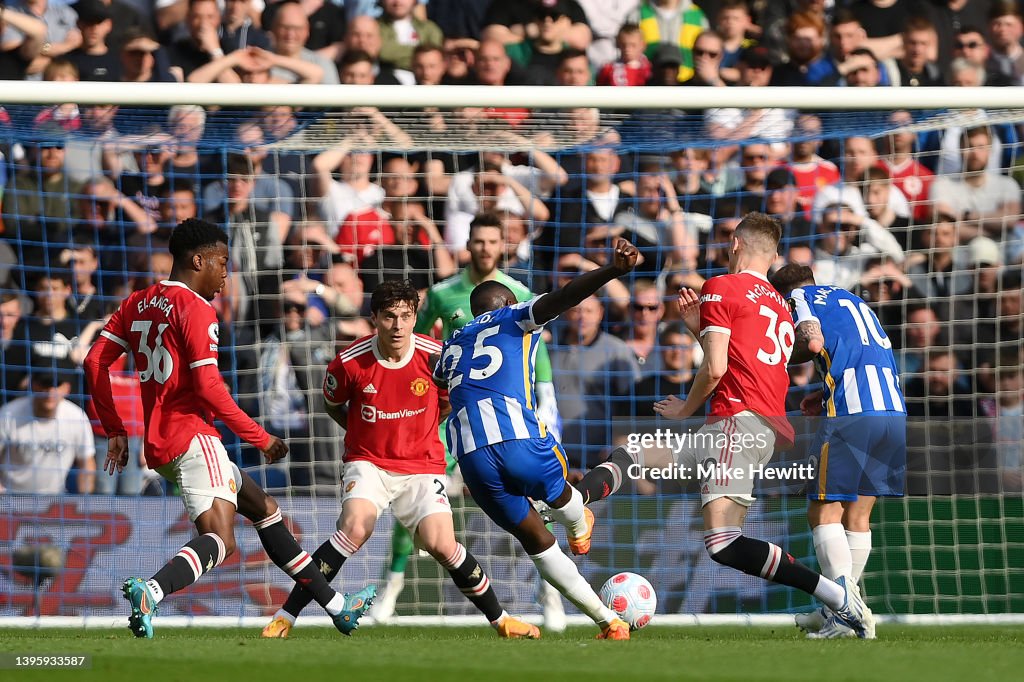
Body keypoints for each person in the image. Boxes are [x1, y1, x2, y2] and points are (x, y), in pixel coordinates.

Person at [83, 219, 363, 638]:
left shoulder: (137, 302)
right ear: (198, 260)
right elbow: (209, 386)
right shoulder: (197, 309)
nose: (225, 274)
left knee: (264, 508)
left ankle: (338, 606)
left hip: (161, 445)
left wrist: (115, 429)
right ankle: (153, 590)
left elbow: (94, 361)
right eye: (221, 263)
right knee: (222, 540)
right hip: (194, 438)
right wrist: (260, 436)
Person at [260, 280, 539, 640]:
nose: (397, 326)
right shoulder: (348, 362)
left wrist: (420, 431)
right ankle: (286, 616)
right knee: (355, 528)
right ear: (374, 318)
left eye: (405, 317)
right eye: (389, 317)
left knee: (443, 544)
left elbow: (450, 401)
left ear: (414, 318)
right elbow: (332, 405)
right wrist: (360, 433)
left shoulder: (437, 355)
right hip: (368, 463)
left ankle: (502, 621)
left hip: (422, 466)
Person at [652, 212, 872, 638]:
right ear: (774, 256)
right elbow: (747, 363)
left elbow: (716, 370)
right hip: (763, 426)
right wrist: (701, 330)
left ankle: (839, 597)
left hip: (735, 420)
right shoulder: (779, 303)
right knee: (644, 457)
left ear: (735, 244)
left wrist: (685, 410)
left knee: (723, 543)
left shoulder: (720, 286)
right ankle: (576, 503)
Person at [433, 238, 645, 640]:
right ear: (505, 302)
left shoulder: (451, 347)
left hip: (472, 460)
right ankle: (580, 516)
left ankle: (609, 622)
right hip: (518, 438)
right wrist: (613, 270)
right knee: (565, 495)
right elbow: (565, 296)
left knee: (537, 542)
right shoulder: (514, 315)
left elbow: (440, 382)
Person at [373, 212, 564, 628]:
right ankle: (391, 587)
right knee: (413, 490)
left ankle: (551, 595)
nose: (484, 248)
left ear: (503, 246)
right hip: (448, 417)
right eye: (477, 241)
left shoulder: (517, 292)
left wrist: (547, 405)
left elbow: (539, 358)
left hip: (505, 416)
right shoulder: (442, 294)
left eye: (492, 242)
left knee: (533, 502)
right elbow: (418, 346)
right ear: (469, 245)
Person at [770, 263, 906, 639]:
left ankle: (844, 614)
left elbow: (811, 341)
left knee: (823, 511)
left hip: (853, 413)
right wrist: (825, 390)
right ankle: (837, 610)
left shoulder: (798, 300)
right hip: (892, 411)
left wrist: (776, 352)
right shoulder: (853, 300)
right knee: (858, 516)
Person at [0, 368, 95, 494]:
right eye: (45, 384)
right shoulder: (9, 413)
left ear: (67, 388)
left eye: (56, 385)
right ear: (33, 385)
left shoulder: (77, 417)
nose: (50, 391)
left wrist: (85, 502)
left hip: (54, 499)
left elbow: (86, 462)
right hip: (10, 497)